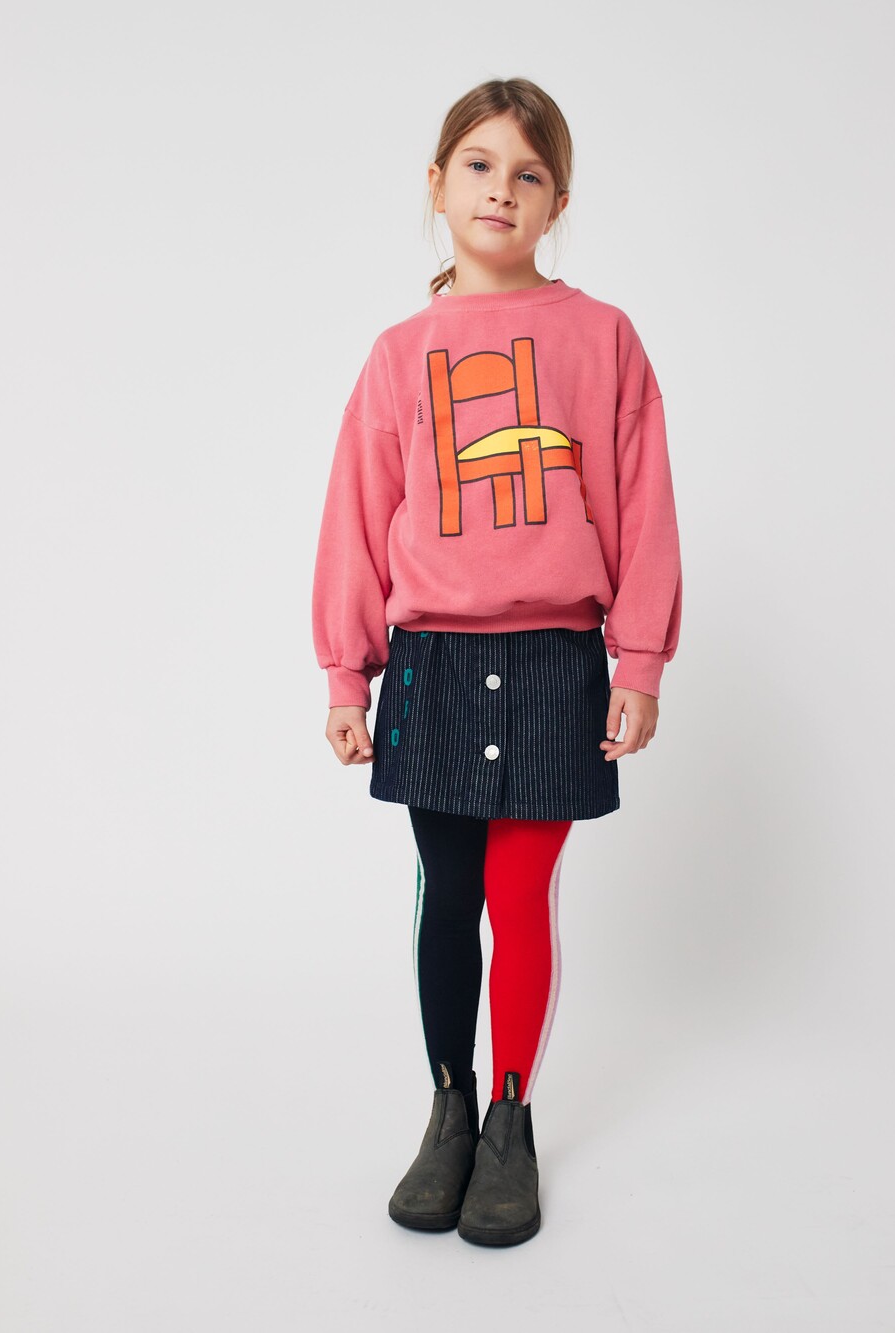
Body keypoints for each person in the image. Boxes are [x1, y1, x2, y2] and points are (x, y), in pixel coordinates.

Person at [310, 77, 682, 1247]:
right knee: (446, 896)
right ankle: (449, 1108)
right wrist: (345, 673)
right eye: (478, 164)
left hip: (554, 661)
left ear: (557, 202)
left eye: (528, 173)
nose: (500, 190)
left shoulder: (602, 337)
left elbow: (642, 505)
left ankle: (511, 1119)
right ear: (437, 183)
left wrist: (639, 659)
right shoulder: (397, 355)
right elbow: (356, 515)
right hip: (428, 659)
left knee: (519, 895)